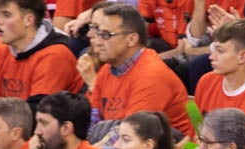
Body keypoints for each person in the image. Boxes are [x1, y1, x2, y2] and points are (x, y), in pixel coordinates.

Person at [83, 3, 195, 141]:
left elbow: (131, 137)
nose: (98, 42)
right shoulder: (107, 69)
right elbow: (91, 120)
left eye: (106, 35)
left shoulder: (152, 75)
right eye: (98, 34)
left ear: (131, 39)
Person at [0, 0, 85, 100]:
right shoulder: (3, 51)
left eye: (6, 15)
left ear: (28, 20)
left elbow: (40, 110)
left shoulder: (54, 55)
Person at [193, 19, 245, 115]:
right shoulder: (206, 81)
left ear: (242, 57)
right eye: (214, 50)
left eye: (220, 51)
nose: (211, 57)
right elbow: (195, 123)